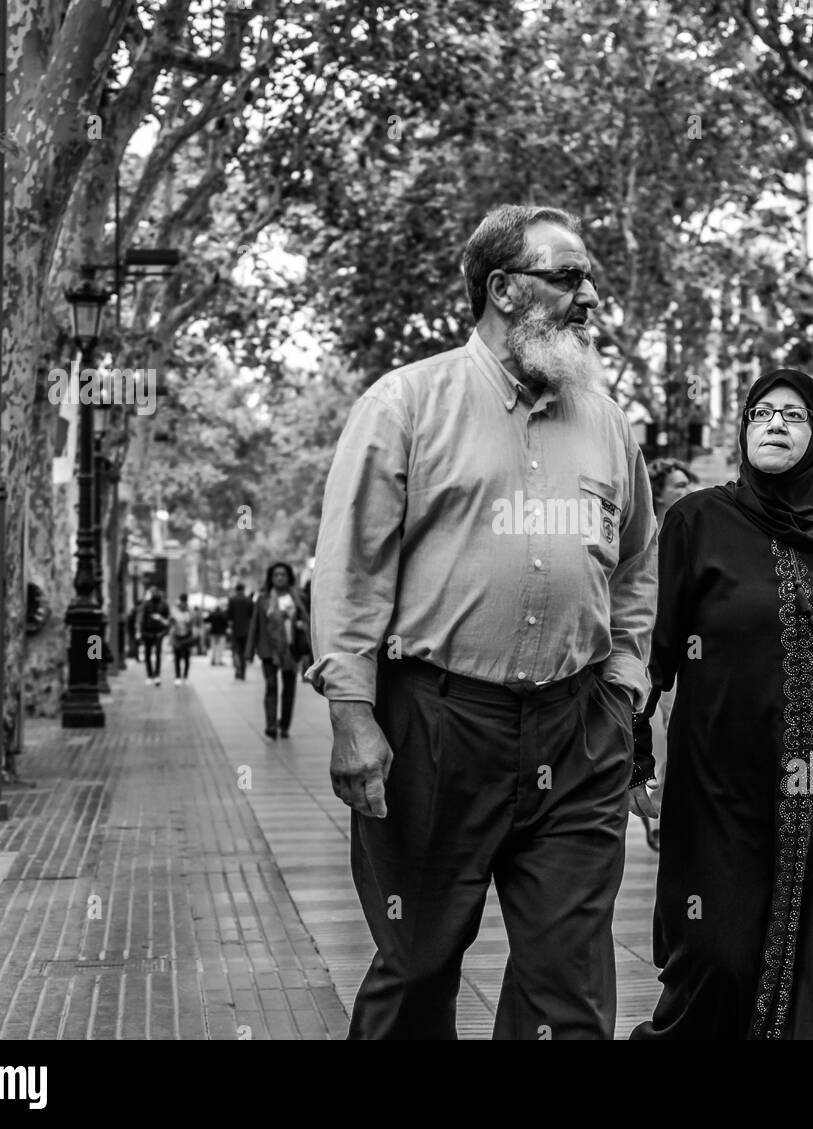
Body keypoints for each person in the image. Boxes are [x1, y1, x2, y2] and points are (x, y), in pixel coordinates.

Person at [306, 204, 658, 1040]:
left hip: (578, 734)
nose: (589, 295)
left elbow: (640, 562)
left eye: (590, 280)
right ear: (503, 288)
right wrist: (353, 716)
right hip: (436, 726)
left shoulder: (608, 426)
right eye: (568, 276)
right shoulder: (406, 404)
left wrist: (624, 685)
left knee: (568, 985)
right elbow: (352, 570)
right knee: (419, 964)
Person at [630, 368, 813, 1041]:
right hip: (719, 781)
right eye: (760, 413)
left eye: (792, 414)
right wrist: (636, 757)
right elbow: (653, 650)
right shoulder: (697, 519)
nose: (775, 423)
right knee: (714, 952)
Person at [636, 458, 699, 853]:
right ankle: (652, 804)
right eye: (677, 484)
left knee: (678, 728)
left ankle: (668, 809)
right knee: (653, 735)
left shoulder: (696, 532)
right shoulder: (644, 534)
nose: (685, 489)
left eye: (687, 482)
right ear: (658, 490)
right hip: (643, 649)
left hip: (684, 649)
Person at [246, 562, 311, 739]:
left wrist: (299, 623)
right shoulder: (263, 599)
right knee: (271, 686)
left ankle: (284, 726)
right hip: (269, 650)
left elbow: (308, 621)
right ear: (271, 578)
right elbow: (255, 625)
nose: (280, 577)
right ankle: (271, 725)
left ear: (289, 577)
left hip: (291, 649)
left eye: (283, 574)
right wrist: (249, 652)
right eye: (276, 575)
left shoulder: (299, 598)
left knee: (289, 689)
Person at [138, 588, 169, 687]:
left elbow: (168, 619)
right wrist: (141, 631)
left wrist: (163, 629)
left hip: (159, 632)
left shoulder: (164, 604)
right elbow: (142, 618)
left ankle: (157, 675)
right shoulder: (146, 604)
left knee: (158, 654)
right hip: (148, 632)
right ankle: (149, 675)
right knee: (147, 654)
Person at [227, 583, 254, 680]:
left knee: (236, 651)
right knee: (243, 652)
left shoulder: (232, 600)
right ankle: (243, 672)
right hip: (246, 630)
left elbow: (229, 616)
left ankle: (237, 669)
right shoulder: (249, 601)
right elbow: (252, 616)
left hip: (236, 629)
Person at [169, 594, 195, 685]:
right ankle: (178, 676)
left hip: (187, 636)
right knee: (177, 657)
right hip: (177, 636)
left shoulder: (190, 611)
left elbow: (191, 623)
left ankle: (186, 676)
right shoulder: (175, 610)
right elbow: (171, 623)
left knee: (187, 657)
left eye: (185, 602)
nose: (183, 604)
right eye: (182, 602)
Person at [206, 601, 229, 666]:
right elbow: (226, 624)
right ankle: (218, 661)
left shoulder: (212, 614)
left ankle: (213, 660)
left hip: (213, 633)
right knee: (220, 648)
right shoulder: (223, 615)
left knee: (213, 647)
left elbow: (205, 620)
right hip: (221, 633)